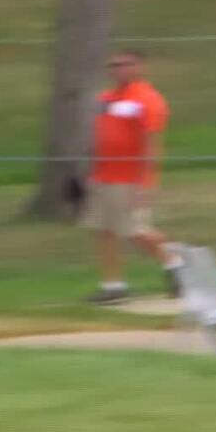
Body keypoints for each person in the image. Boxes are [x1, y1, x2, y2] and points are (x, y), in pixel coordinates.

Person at [81, 49, 182, 305]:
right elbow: (98, 135)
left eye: (125, 64)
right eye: (114, 65)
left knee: (136, 231)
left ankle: (174, 262)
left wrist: (146, 183)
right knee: (103, 230)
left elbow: (152, 144)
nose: (119, 69)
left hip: (130, 178)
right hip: (103, 175)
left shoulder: (147, 99)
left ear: (139, 66)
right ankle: (113, 285)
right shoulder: (105, 98)